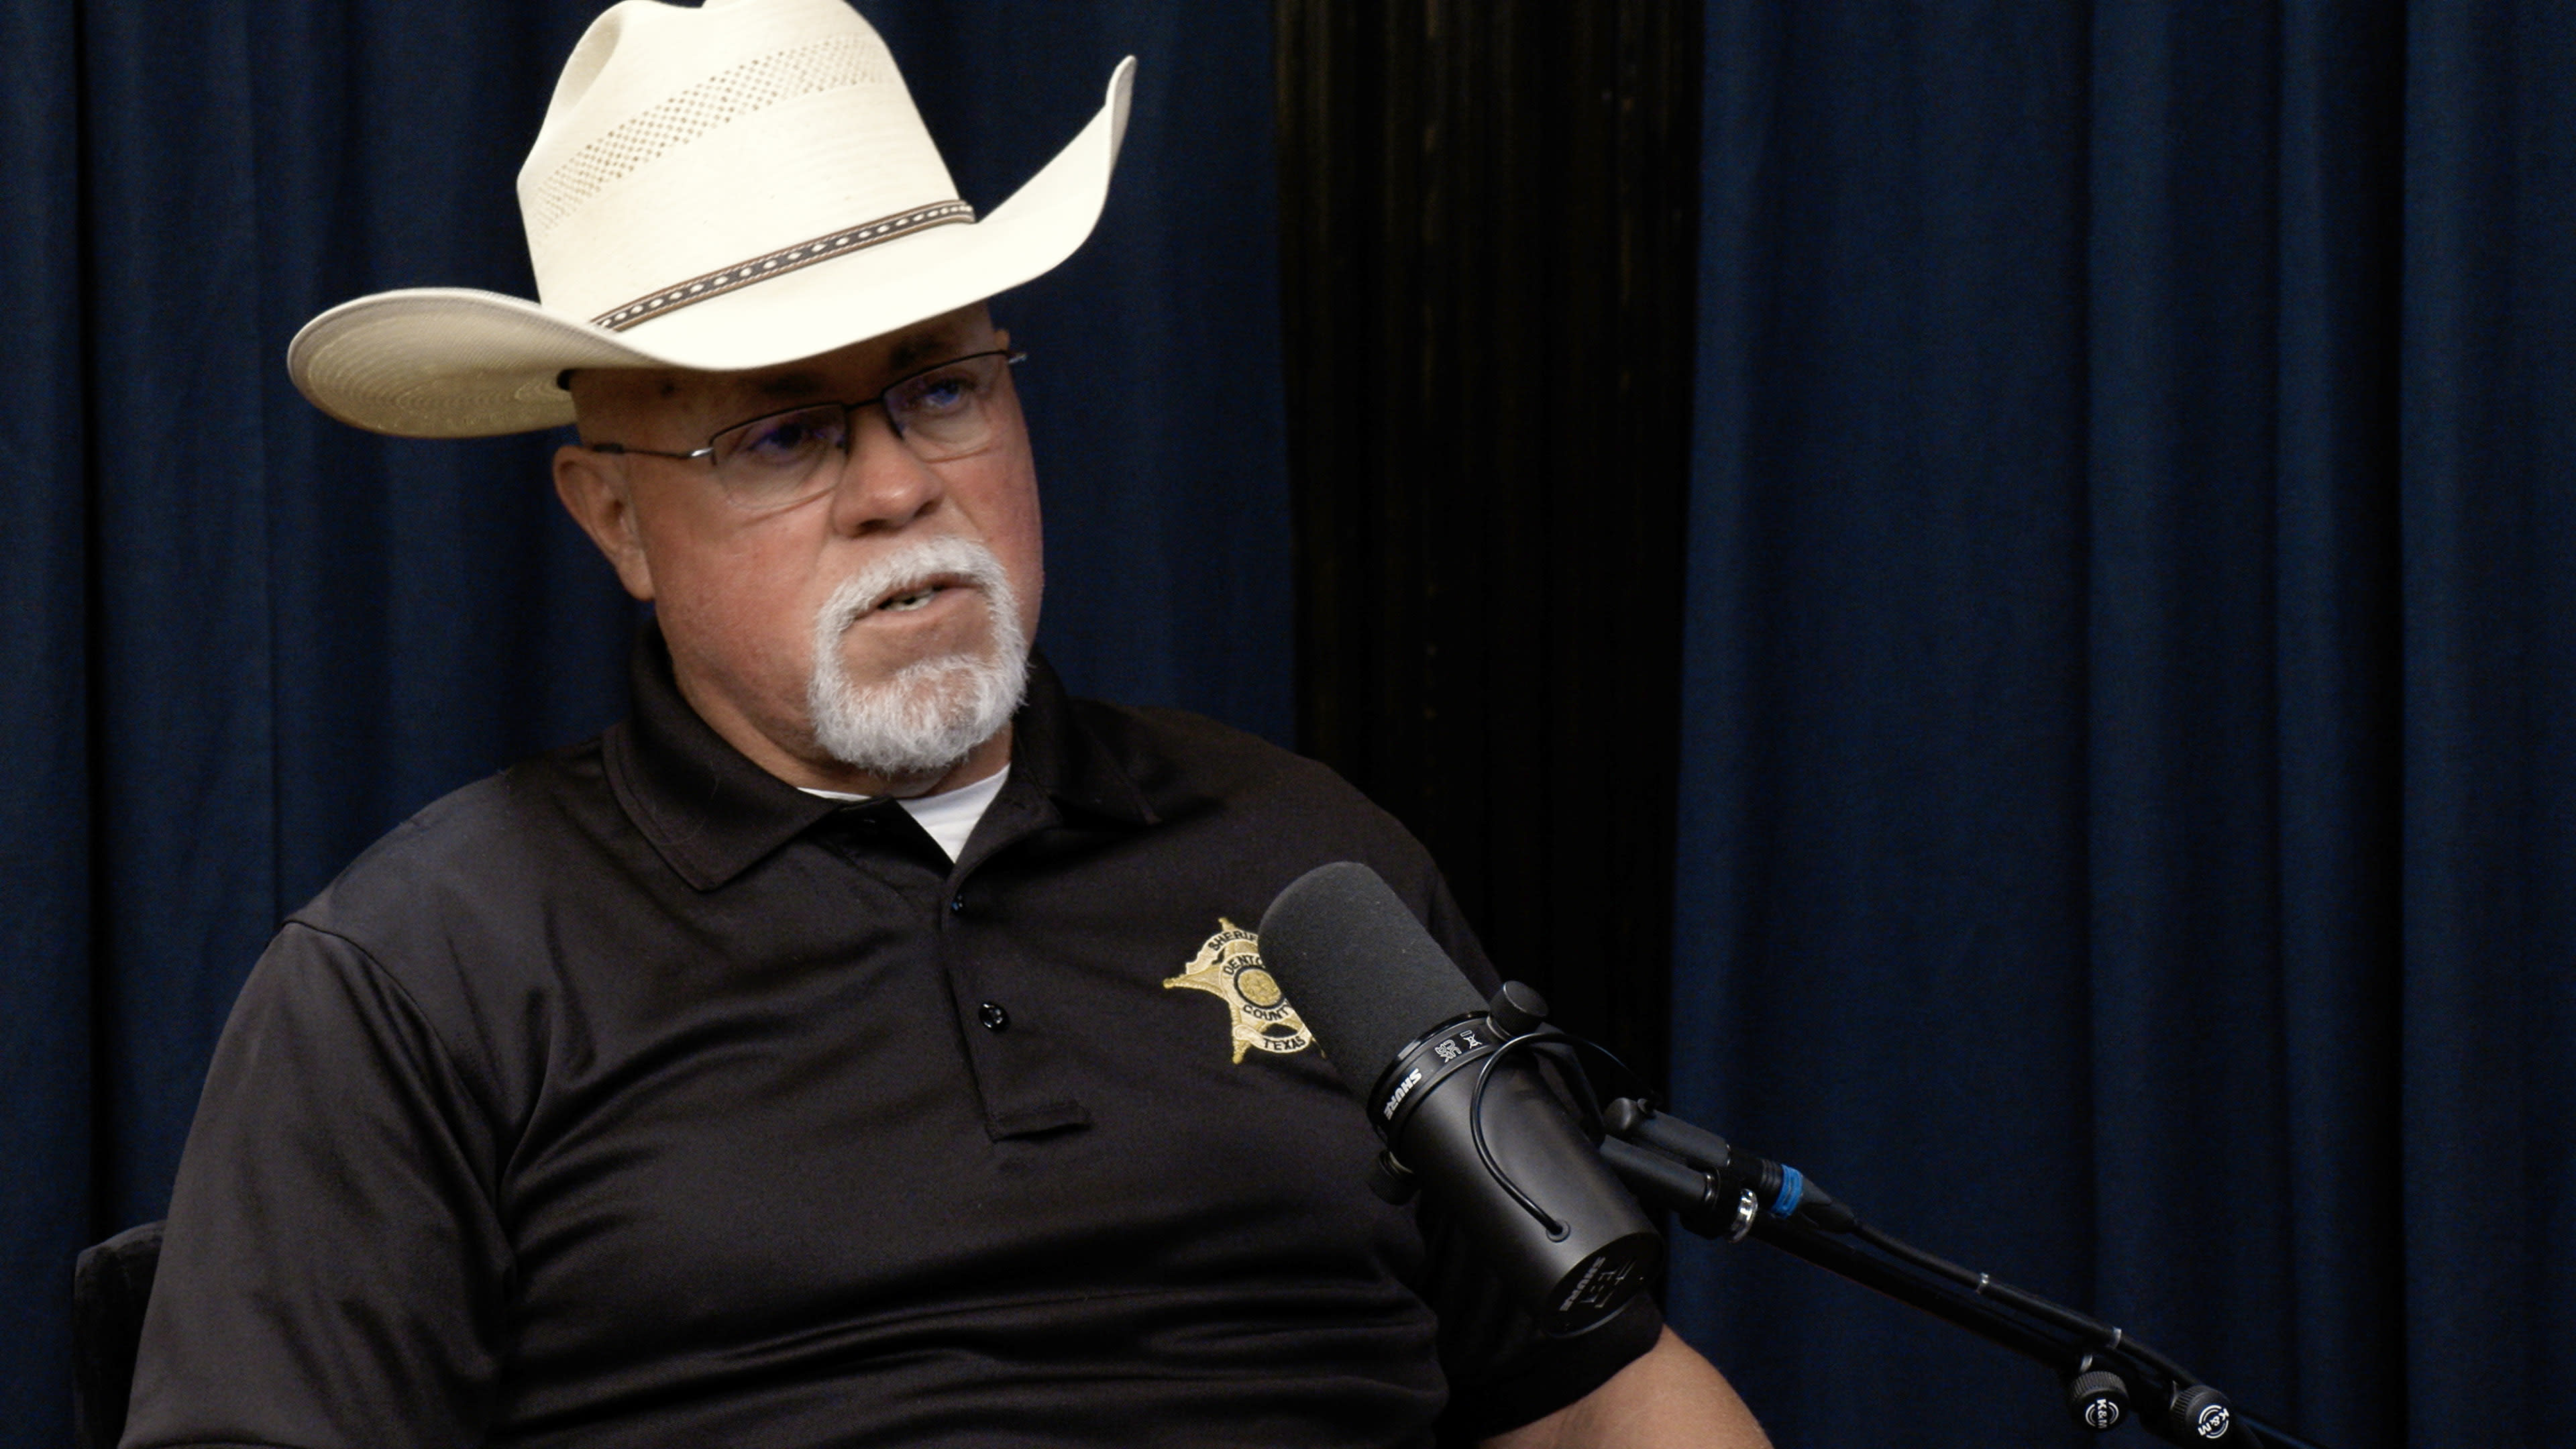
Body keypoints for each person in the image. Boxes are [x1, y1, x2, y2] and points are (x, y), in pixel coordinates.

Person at [121, 2, 1772, 1446]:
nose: (901, 486)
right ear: (612, 520)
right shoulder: (423, 974)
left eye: (942, 387)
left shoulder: (1312, 866)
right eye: (781, 436)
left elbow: (1603, 1400)